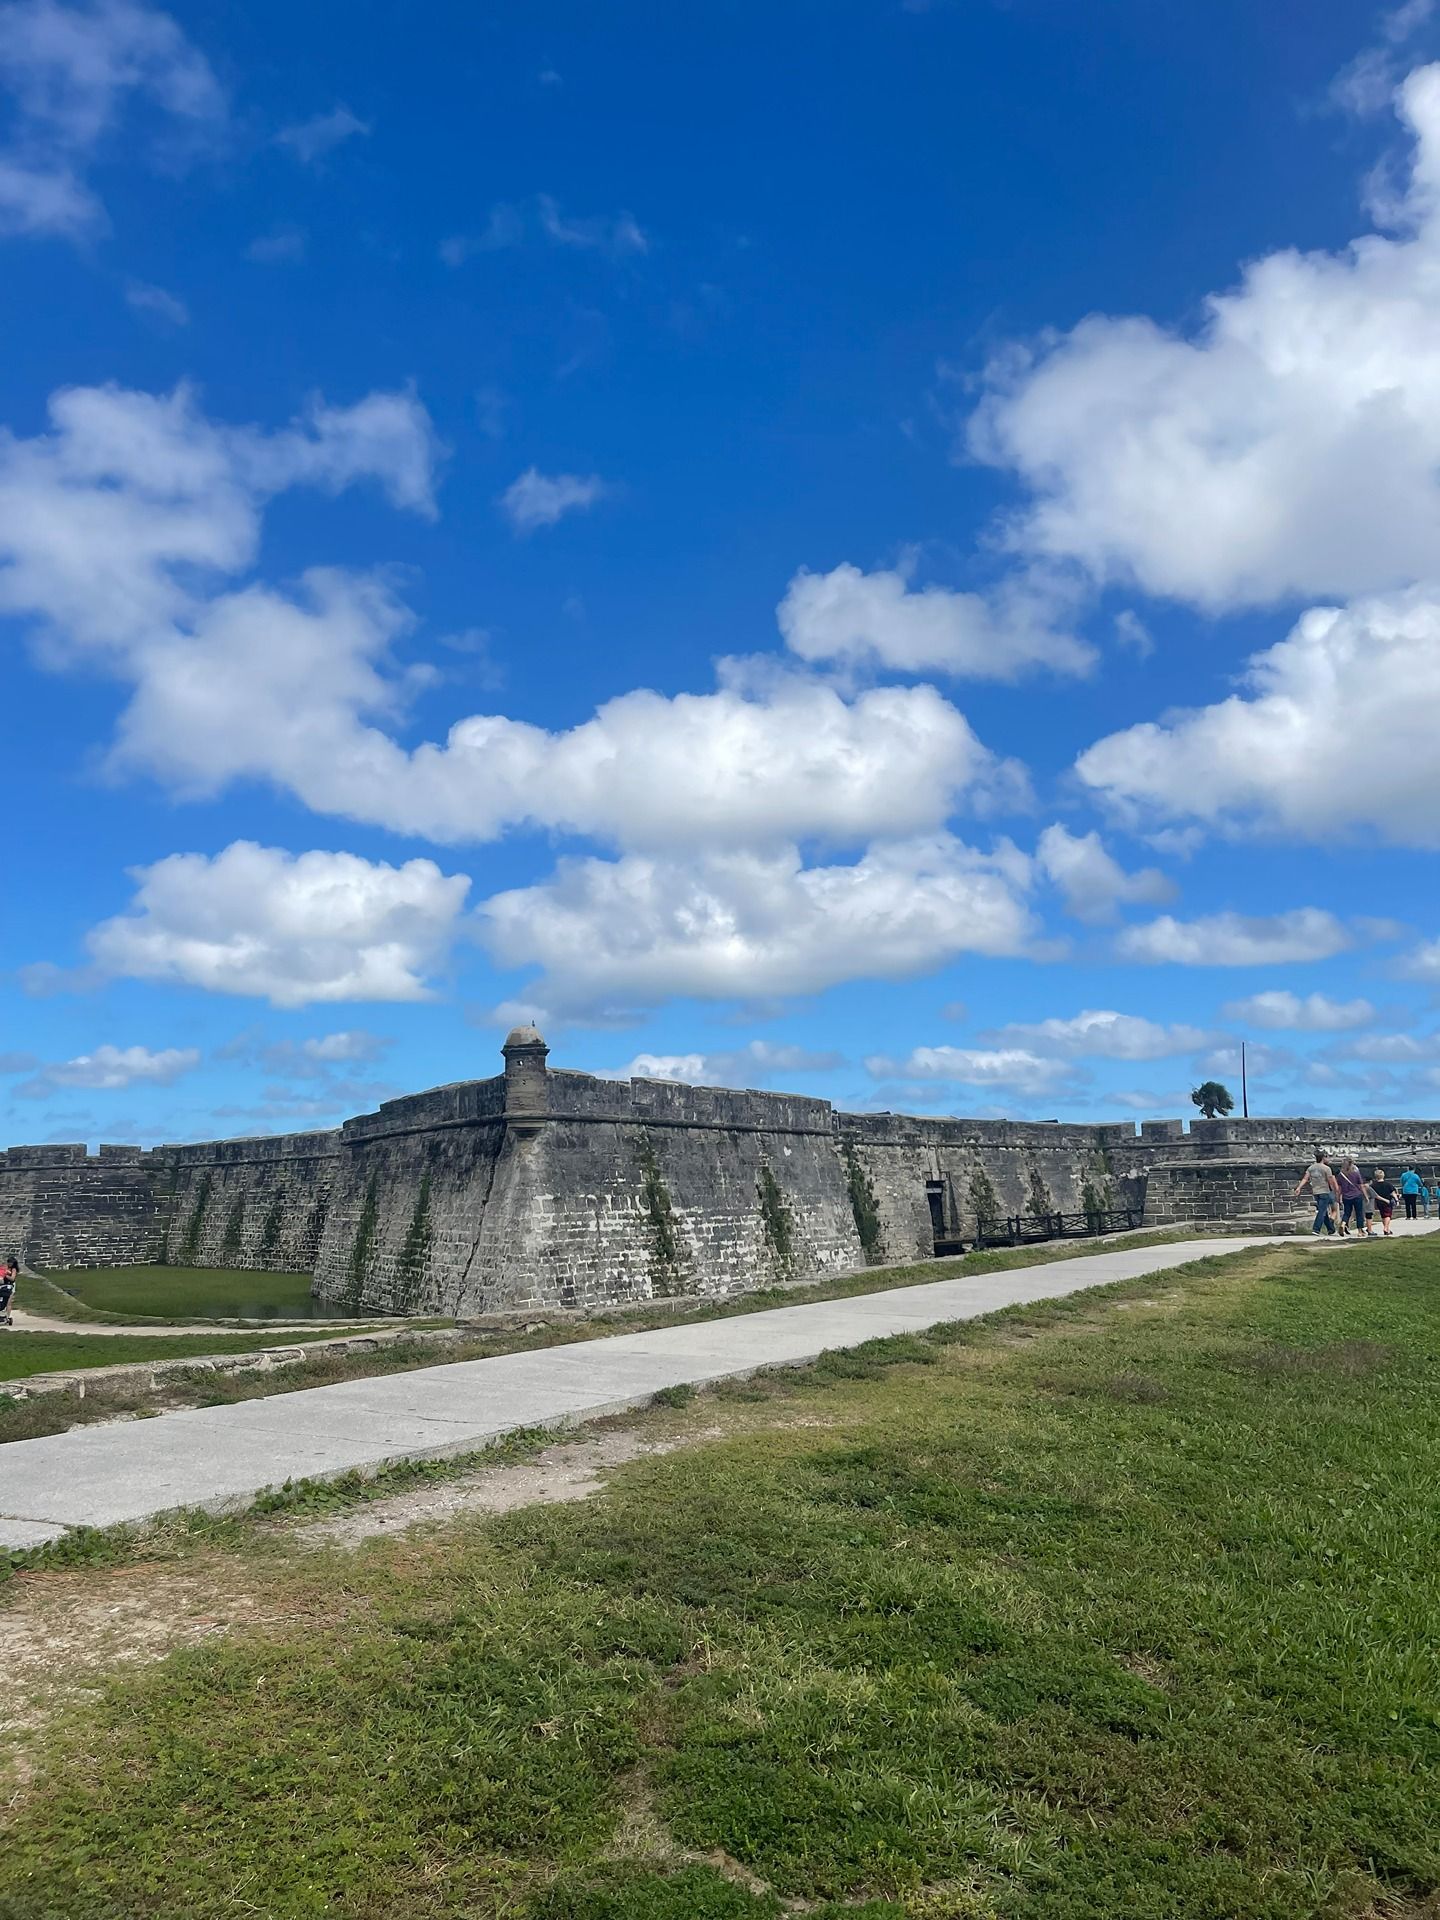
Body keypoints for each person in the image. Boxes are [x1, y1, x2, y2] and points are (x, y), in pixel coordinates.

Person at [1294, 1151, 1340, 1235]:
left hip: (1316, 1192)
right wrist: (1334, 1191)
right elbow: (1330, 1181)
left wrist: (1299, 1187)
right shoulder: (1326, 1168)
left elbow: (1305, 1178)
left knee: (1324, 1211)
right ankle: (1316, 1229)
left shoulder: (1311, 1168)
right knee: (1322, 1211)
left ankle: (1331, 1229)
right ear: (1323, 1158)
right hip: (1325, 1191)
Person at [1336, 1158, 1367, 1236]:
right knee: (1359, 1213)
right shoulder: (1356, 1173)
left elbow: (1339, 1188)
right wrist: (1366, 1196)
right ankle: (1360, 1231)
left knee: (1347, 1212)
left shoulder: (1340, 1175)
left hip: (1346, 1196)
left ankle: (1343, 1224)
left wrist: (1338, 1197)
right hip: (1357, 1195)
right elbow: (1361, 1185)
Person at [1371, 1169, 1398, 1237]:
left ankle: (1387, 1229)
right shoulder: (1388, 1184)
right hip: (1387, 1201)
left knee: (1383, 1215)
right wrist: (1396, 1200)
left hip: (1378, 1202)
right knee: (1388, 1215)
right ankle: (1385, 1228)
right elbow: (1393, 1193)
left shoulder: (1373, 1185)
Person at [0, 1256, 16, 1327]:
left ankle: (7, 1317)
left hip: (9, 1286)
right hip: (2, 1286)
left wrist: (5, 1275)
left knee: (8, 1302)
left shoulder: (13, 1269)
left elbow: (12, 1278)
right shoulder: (3, 1269)